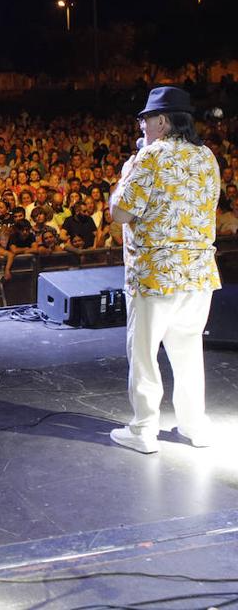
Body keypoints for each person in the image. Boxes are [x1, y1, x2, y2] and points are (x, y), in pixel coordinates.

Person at [108, 86, 220, 454]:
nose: (141, 124)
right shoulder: (208, 157)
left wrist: (126, 174)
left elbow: (120, 213)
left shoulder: (150, 157)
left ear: (162, 120)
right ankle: (193, 426)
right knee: (188, 353)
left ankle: (143, 430)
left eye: (145, 118)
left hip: (155, 274)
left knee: (143, 353)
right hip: (198, 273)